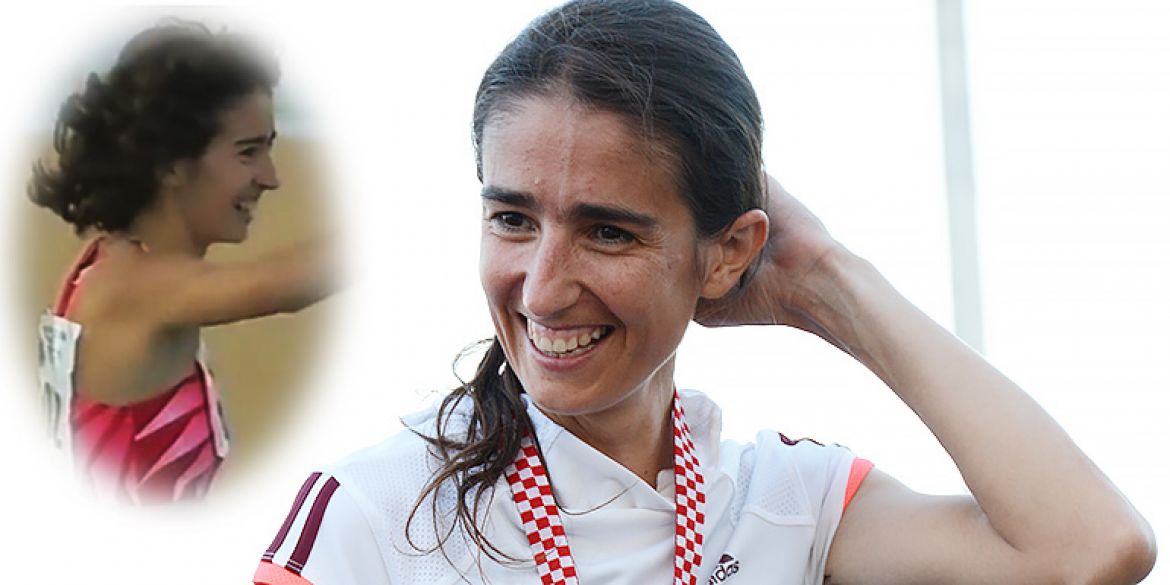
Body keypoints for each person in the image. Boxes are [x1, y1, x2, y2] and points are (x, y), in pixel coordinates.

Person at [254, 1, 1155, 583]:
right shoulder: (376, 515)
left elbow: (1089, 549)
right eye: (514, 219)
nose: (544, 288)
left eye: (609, 231)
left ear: (729, 254)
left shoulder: (783, 502)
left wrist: (827, 279)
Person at [30, 22, 334, 504]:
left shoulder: (104, 263)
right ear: (171, 163)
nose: (270, 177)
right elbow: (288, 283)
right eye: (248, 152)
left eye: (269, 148)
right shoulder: (136, 288)